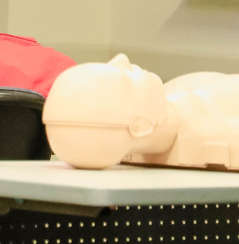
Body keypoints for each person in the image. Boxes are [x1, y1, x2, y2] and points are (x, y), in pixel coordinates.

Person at [43, 54, 239, 171]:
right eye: (126, 79)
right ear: (138, 126)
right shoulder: (218, 125)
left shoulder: (175, 90)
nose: (122, 58)